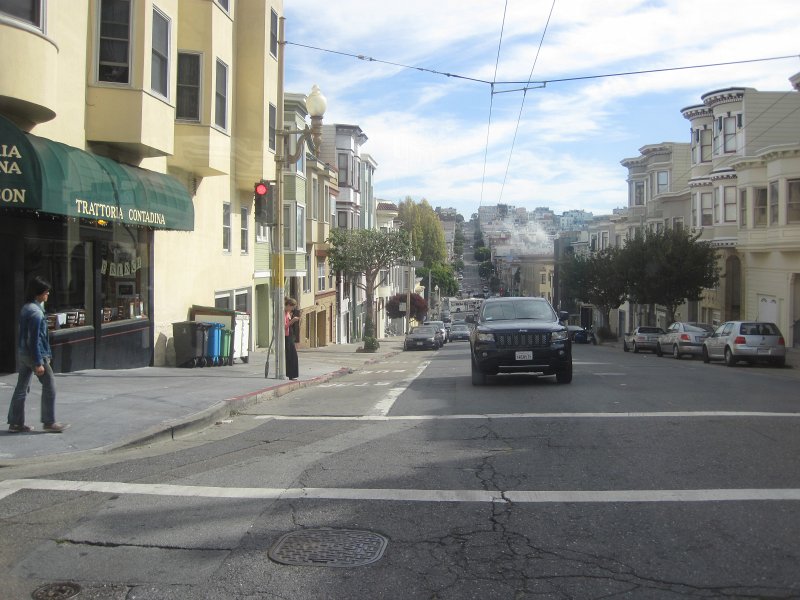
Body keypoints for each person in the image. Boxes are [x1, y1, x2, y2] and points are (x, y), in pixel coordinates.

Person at [7, 276, 68, 433]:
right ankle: (49, 422)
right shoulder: (36, 313)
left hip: (23, 353)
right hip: (35, 355)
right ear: (38, 293)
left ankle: (15, 423)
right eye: (46, 292)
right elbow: (34, 339)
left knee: (21, 388)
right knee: (49, 385)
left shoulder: (26, 308)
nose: (48, 294)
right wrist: (38, 362)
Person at [284, 297, 300, 380]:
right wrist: (292, 321)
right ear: (289, 305)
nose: (292, 309)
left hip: (290, 335)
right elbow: (284, 326)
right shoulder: (284, 313)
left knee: (293, 356)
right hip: (286, 336)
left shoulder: (288, 313)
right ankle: (290, 374)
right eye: (292, 307)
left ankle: (292, 374)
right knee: (290, 356)